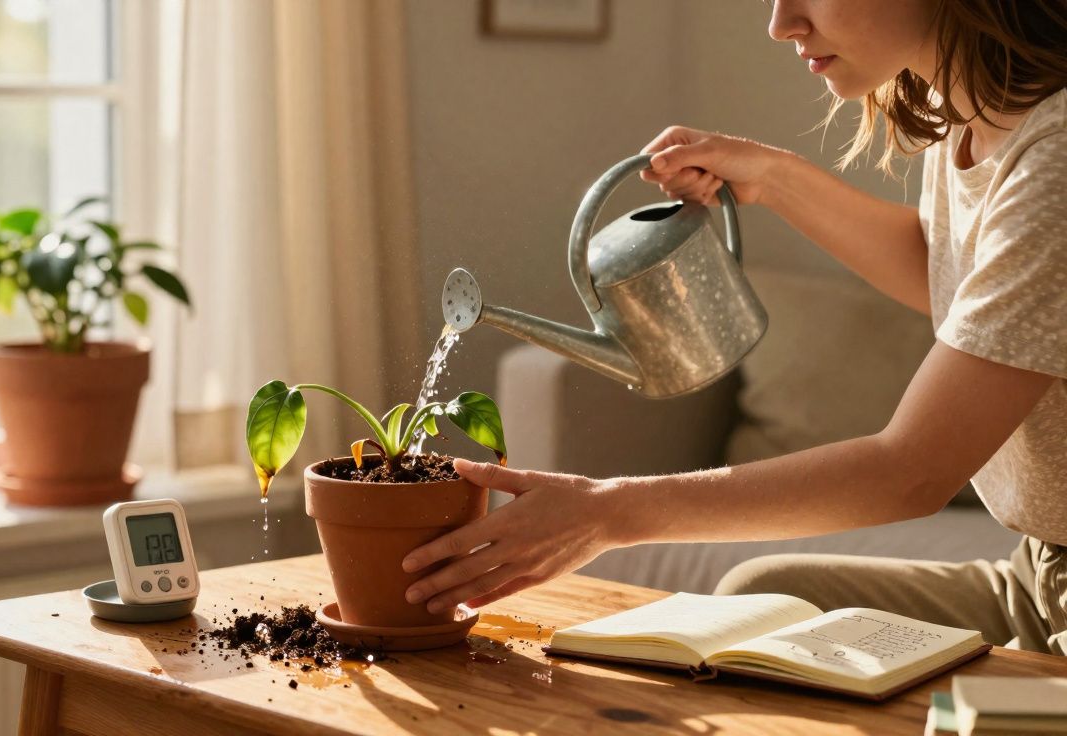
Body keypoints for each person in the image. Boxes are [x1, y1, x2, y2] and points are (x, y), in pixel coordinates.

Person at [401, 0, 1067, 655]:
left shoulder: (1055, 161)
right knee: (761, 600)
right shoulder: (976, 116)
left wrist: (605, 513)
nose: (781, 23)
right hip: (1033, 574)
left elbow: (912, 472)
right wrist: (772, 178)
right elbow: (943, 269)